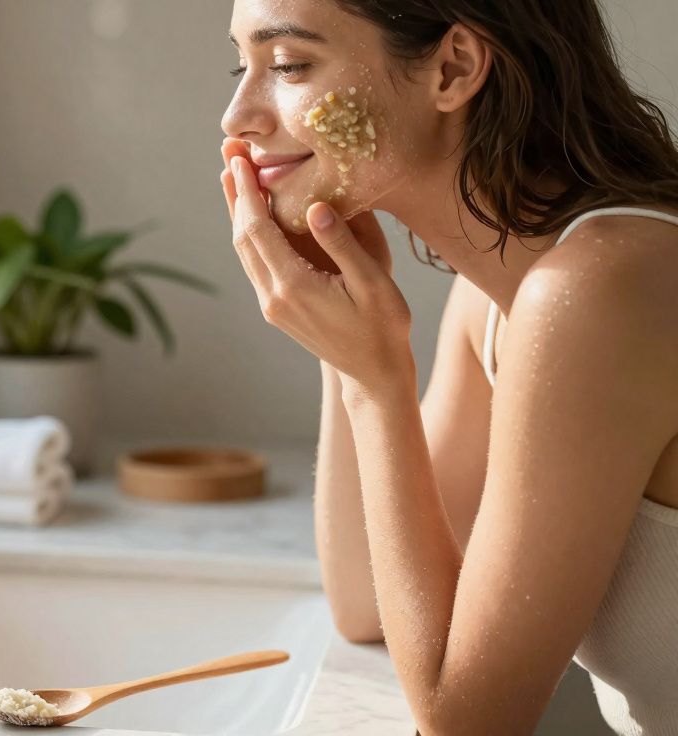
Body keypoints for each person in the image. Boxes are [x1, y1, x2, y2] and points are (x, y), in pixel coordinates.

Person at [218, 1, 678, 734]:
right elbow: (366, 604)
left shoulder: (599, 293)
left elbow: (469, 724)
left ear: (454, 67)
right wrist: (344, 337)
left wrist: (379, 388)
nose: (235, 117)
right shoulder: (499, 300)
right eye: (241, 66)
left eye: (287, 66)